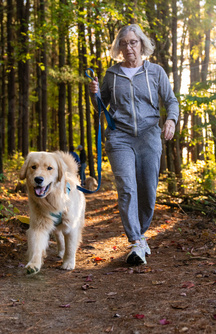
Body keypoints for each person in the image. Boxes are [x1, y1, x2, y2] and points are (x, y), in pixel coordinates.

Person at [88, 24, 179, 265]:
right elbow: (100, 109)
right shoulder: (111, 75)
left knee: (148, 191)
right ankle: (136, 241)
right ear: (118, 47)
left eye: (133, 42)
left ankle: (141, 234)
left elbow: (171, 101)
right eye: (124, 43)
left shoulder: (155, 72)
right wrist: (94, 94)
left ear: (141, 44)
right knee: (127, 188)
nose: (129, 47)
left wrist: (170, 120)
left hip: (149, 136)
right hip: (120, 137)